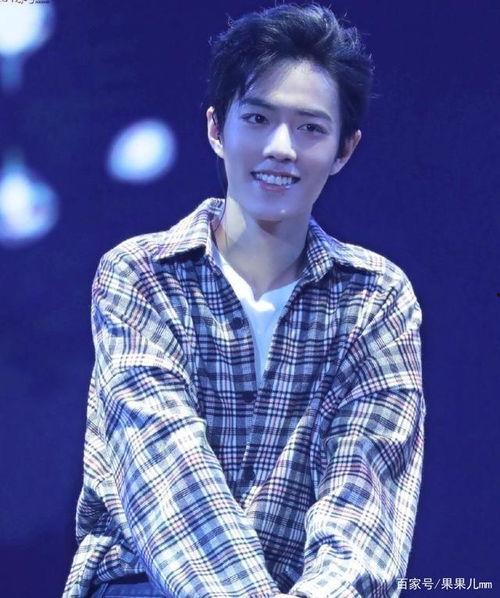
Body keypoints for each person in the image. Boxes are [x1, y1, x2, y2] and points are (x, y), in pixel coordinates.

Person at [63, 3, 425, 597]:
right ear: (216, 128)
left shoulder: (375, 299)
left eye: (310, 128)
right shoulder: (142, 275)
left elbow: (365, 507)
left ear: (345, 150)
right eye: (258, 118)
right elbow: (166, 473)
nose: (281, 147)